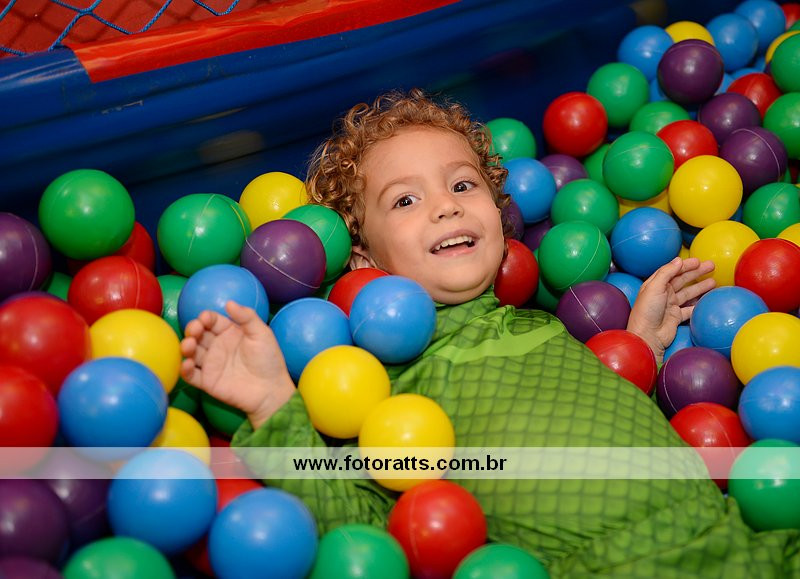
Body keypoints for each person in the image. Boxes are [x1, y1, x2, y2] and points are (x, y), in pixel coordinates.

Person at [180, 89, 798, 577]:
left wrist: (641, 343)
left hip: (745, 538)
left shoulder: (541, 325)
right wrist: (273, 404)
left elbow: (583, 412)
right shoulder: (378, 384)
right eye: (404, 201)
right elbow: (361, 532)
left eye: (462, 184)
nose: (445, 205)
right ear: (363, 257)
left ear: (500, 217)